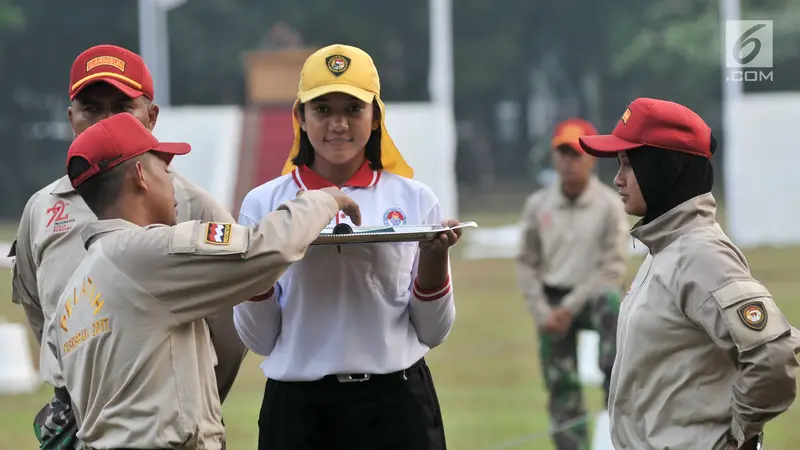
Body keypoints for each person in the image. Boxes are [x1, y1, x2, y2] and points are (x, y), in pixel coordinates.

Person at [43, 112, 360, 449]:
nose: (173, 183)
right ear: (140, 175)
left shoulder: (75, 291)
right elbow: (261, 248)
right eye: (164, 169)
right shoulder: (145, 254)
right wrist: (323, 198)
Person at [9, 44, 247, 449]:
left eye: (122, 108)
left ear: (151, 117)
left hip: (159, 422)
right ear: (71, 119)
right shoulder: (42, 210)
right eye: (90, 109)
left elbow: (228, 327)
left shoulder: (190, 203)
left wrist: (192, 396)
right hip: (70, 419)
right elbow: (41, 311)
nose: (104, 122)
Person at [234, 43, 460, 450]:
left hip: (396, 405)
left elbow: (433, 330)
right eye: (322, 109)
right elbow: (259, 340)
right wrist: (259, 265)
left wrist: (435, 255)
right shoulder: (263, 204)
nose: (338, 123)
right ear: (300, 116)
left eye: (353, 109)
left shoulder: (414, 199)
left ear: (376, 117)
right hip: (298, 412)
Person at [579, 97, 800, 450]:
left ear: (663, 168)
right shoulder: (665, 248)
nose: (617, 180)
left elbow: (772, 357)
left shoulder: (701, 254)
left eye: (627, 164)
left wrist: (738, 438)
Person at [516, 118, 629, 450]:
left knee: (611, 304)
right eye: (564, 153)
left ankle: (624, 420)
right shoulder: (538, 205)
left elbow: (612, 266)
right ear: (554, 157)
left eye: (578, 153)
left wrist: (569, 308)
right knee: (561, 385)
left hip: (592, 296)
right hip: (552, 299)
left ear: (592, 158)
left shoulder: (609, 205)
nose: (570, 161)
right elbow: (526, 262)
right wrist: (542, 312)